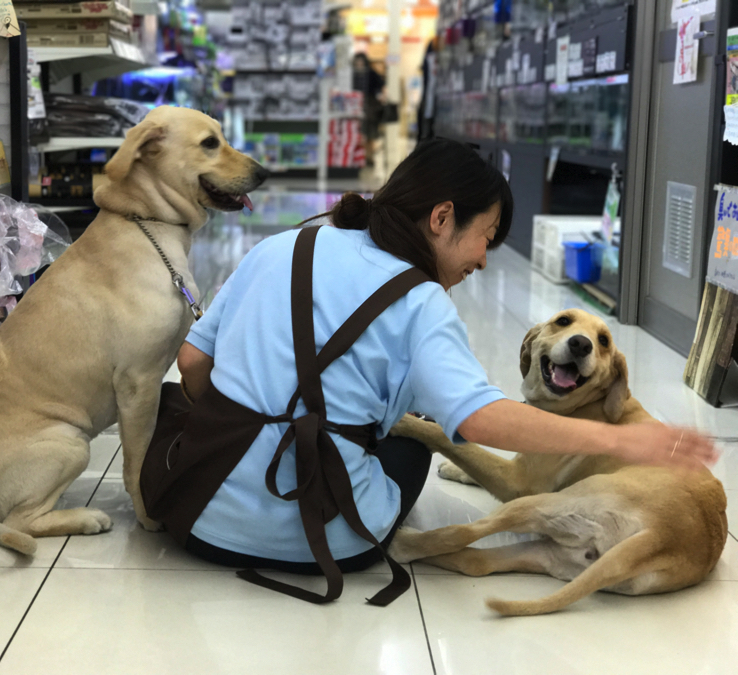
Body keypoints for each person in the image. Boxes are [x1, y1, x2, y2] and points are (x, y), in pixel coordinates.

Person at [149, 138, 718, 606]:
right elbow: (481, 420)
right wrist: (623, 439)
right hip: (331, 541)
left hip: (197, 518)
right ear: (443, 218)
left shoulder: (281, 246)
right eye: (485, 238)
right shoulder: (422, 303)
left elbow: (194, 363)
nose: (483, 260)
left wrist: (247, 429)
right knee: (416, 442)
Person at [352, 52, 385, 167]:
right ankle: (361, 157)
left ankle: (369, 157)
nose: (359, 64)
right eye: (357, 61)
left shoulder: (371, 73)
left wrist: (378, 94)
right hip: (354, 106)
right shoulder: (352, 74)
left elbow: (380, 84)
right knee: (359, 133)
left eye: (361, 61)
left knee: (370, 134)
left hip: (370, 107)